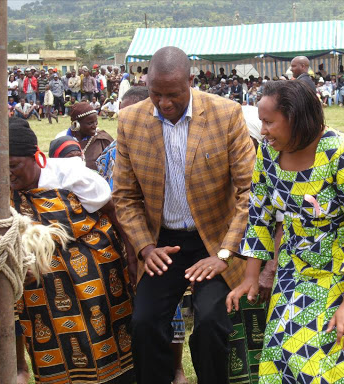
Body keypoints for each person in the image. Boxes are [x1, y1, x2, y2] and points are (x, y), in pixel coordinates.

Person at [226, 80, 344, 383]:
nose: (262, 130)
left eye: (269, 122)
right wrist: (251, 277)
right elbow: (260, 216)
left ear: (297, 118)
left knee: (321, 346)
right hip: (298, 259)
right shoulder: (268, 152)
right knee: (280, 345)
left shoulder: (339, 150)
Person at [112, 46, 255, 384]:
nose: (163, 103)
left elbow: (250, 192)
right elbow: (125, 196)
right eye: (155, 93)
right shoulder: (130, 121)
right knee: (145, 324)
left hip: (215, 241)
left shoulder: (226, 114)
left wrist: (224, 253)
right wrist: (146, 247)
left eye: (172, 94)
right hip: (164, 245)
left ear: (191, 81)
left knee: (210, 323)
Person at [8, 117, 135, 384]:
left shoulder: (71, 174)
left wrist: (132, 257)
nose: (7, 175)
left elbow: (111, 211)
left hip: (95, 270)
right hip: (40, 288)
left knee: (106, 335)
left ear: (37, 158)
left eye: (13, 166)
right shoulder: (1, 190)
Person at [56, 102, 114, 170]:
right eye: (90, 123)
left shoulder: (103, 139)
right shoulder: (62, 138)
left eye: (96, 122)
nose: (94, 126)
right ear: (76, 124)